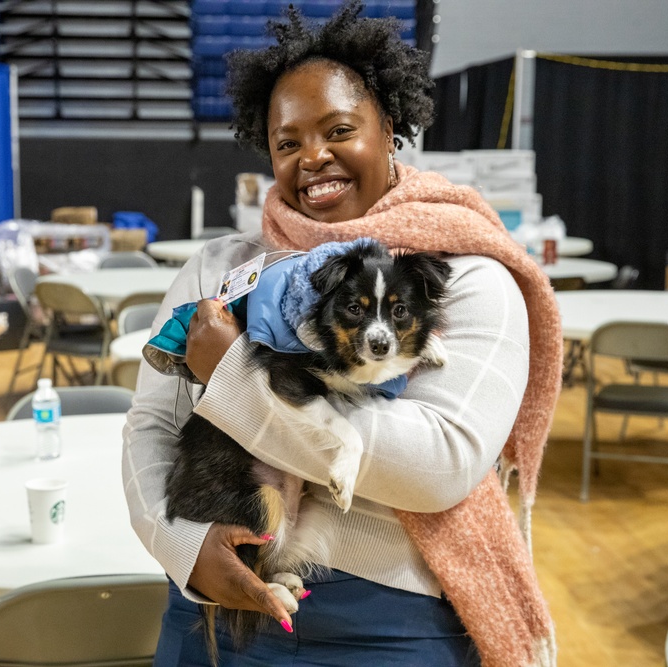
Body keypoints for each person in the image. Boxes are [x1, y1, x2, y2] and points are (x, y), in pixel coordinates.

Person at [122, 3, 562, 665]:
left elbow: (440, 465)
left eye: (339, 130)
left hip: (384, 622)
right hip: (208, 612)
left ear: (389, 129)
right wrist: (179, 545)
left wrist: (236, 375)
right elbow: (150, 424)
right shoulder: (222, 269)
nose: (313, 157)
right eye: (288, 141)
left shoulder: (465, 276)